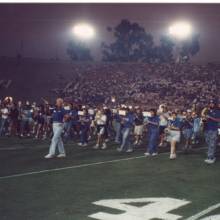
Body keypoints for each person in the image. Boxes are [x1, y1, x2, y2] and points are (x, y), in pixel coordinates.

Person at [203, 100, 220, 164]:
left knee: (212, 144)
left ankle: (211, 157)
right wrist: (204, 120)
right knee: (208, 142)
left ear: (214, 104)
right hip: (207, 129)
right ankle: (211, 154)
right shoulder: (208, 111)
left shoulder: (217, 111)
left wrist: (210, 117)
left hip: (213, 129)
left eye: (212, 103)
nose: (211, 104)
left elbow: (218, 120)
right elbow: (204, 118)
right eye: (210, 103)